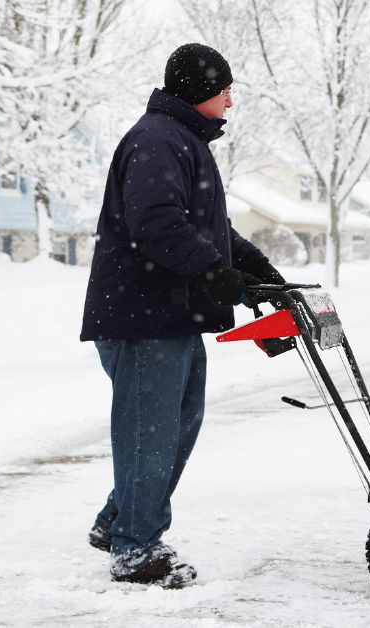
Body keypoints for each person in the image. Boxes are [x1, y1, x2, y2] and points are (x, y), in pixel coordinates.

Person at [79, 43, 285, 589]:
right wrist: (216, 272)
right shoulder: (156, 141)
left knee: (173, 427)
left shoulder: (180, 140)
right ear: (199, 91)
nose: (231, 102)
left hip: (168, 317)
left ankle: (118, 522)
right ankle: (136, 547)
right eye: (224, 91)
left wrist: (254, 266)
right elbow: (159, 227)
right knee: (152, 433)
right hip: (144, 319)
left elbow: (204, 227)